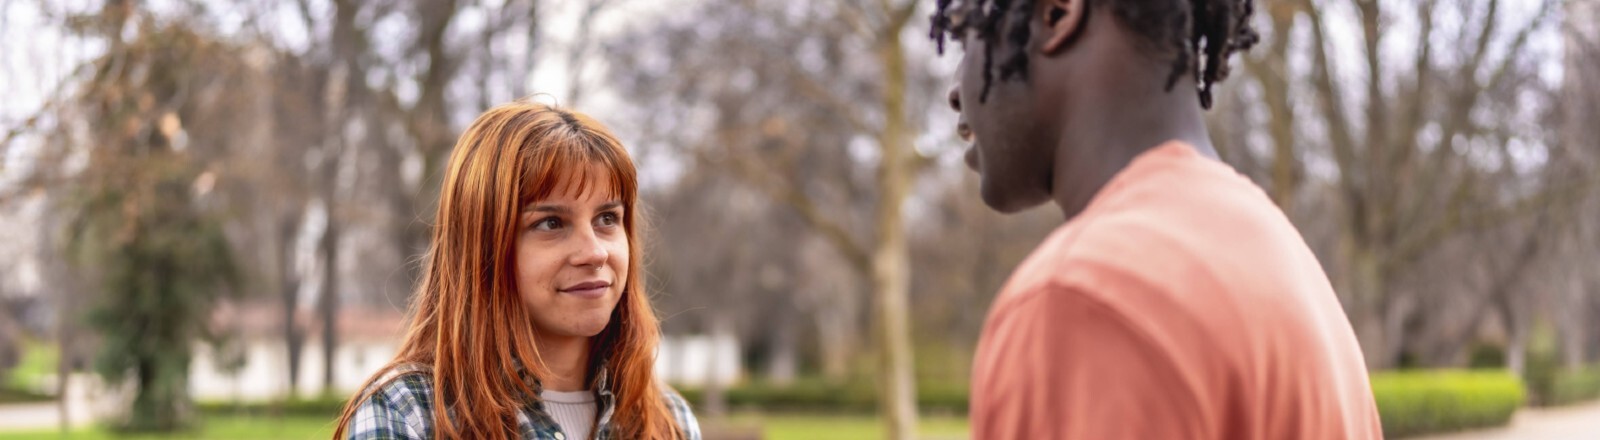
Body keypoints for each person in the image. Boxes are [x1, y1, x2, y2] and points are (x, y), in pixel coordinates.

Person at [930, 0, 1382, 438]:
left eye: (968, 35)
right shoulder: (1284, 260)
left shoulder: (1089, 296)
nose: (954, 91)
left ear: (1057, 13)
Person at [332, 102, 701, 440]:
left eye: (607, 218)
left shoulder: (669, 422)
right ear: (482, 247)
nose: (594, 253)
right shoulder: (408, 414)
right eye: (551, 223)